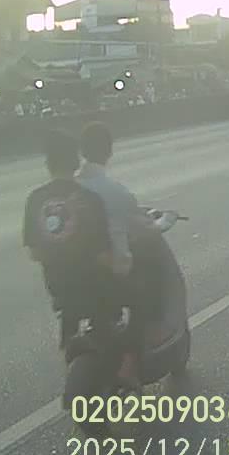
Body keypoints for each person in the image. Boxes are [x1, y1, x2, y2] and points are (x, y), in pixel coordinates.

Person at [76, 122, 177, 387]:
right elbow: (143, 227)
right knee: (148, 291)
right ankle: (129, 364)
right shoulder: (114, 191)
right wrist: (166, 220)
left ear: (82, 150)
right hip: (110, 275)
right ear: (109, 151)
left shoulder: (69, 190)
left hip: (71, 279)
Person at [22, 131, 116, 349]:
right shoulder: (90, 199)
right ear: (76, 161)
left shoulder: (35, 199)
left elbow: (35, 253)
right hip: (93, 285)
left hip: (58, 285)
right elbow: (103, 254)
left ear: (48, 163)